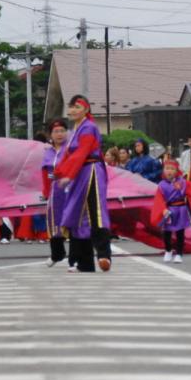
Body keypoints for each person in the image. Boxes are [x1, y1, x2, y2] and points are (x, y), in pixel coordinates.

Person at [55, 95, 113, 273]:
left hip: (91, 170)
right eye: (71, 107)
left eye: (77, 107)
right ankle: (84, 262)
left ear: (86, 110)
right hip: (80, 173)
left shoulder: (88, 127)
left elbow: (82, 152)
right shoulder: (75, 130)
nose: (72, 110)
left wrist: (69, 175)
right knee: (77, 215)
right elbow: (68, 155)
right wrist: (60, 173)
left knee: (96, 212)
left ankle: (104, 255)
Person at [151, 157, 191, 263]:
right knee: (167, 233)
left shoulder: (183, 182)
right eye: (167, 168)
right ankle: (168, 251)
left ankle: (179, 254)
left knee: (180, 233)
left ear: (177, 171)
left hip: (181, 210)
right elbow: (159, 199)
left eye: (172, 169)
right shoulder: (161, 185)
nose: (169, 171)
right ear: (164, 170)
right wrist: (163, 210)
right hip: (168, 211)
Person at [41, 119, 70, 267]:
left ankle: (78, 256)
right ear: (50, 135)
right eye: (56, 131)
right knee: (54, 221)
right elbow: (45, 174)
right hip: (55, 191)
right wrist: (46, 193)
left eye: (62, 131)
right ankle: (57, 254)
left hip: (70, 189)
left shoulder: (71, 149)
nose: (59, 134)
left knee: (73, 221)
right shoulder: (48, 152)